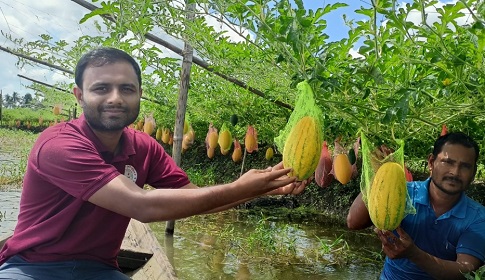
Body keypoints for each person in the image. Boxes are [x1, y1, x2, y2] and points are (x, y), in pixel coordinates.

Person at [0, 47, 309, 279]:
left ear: (139, 95)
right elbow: (141, 206)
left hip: (100, 270)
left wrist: (261, 189)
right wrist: (240, 186)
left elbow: (195, 197)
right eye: (101, 88)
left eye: (127, 89)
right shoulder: (58, 145)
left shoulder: (145, 148)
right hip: (32, 267)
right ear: (79, 95)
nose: (116, 98)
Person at [347, 132, 485, 279]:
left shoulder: (478, 217)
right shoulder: (403, 193)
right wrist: (378, 174)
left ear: (473, 173)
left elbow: (465, 270)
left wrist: (414, 254)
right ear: (431, 163)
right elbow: (354, 222)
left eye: (465, 166)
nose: (455, 172)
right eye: (448, 162)